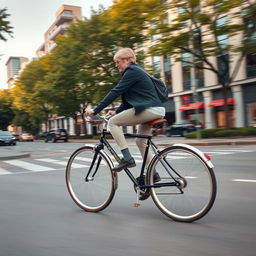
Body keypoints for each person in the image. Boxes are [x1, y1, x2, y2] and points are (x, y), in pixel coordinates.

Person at [85, 47, 166, 172]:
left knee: (113, 122)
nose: (117, 65)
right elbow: (130, 100)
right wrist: (116, 111)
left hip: (150, 109)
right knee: (140, 142)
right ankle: (152, 174)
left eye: (118, 62)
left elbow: (115, 91)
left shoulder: (132, 71)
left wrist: (95, 110)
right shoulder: (137, 71)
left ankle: (127, 158)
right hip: (155, 109)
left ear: (128, 60)